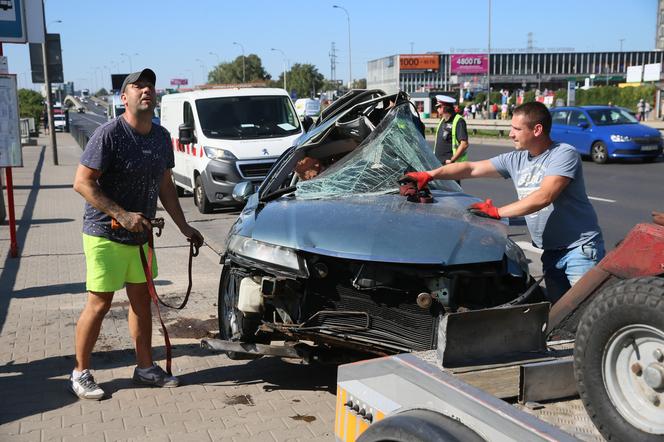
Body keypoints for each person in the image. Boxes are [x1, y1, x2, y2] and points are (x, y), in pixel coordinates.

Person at [71, 68, 204, 400]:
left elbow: (165, 186)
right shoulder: (109, 135)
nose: (146, 90)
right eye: (138, 86)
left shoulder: (160, 136)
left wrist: (185, 227)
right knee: (99, 305)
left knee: (142, 304)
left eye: (150, 86)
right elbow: (82, 183)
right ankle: (80, 372)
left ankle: (145, 368)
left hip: (140, 235)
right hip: (104, 233)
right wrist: (121, 215)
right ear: (124, 97)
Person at [403, 101, 604, 304]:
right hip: (551, 253)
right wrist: (429, 174)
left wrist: (498, 212)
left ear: (537, 130)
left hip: (579, 251)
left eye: (516, 129)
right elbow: (470, 168)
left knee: (588, 313)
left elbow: (545, 196)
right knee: (561, 317)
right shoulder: (516, 159)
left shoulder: (563, 153)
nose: (511, 134)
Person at [432, 95, 469, 166]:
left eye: (438, 107)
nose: (437, 109)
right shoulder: (443, 120)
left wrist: (452, 160)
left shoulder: (458, 121)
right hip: (439, 163)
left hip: (450, 164)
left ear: (443, 107)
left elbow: (464, 144)